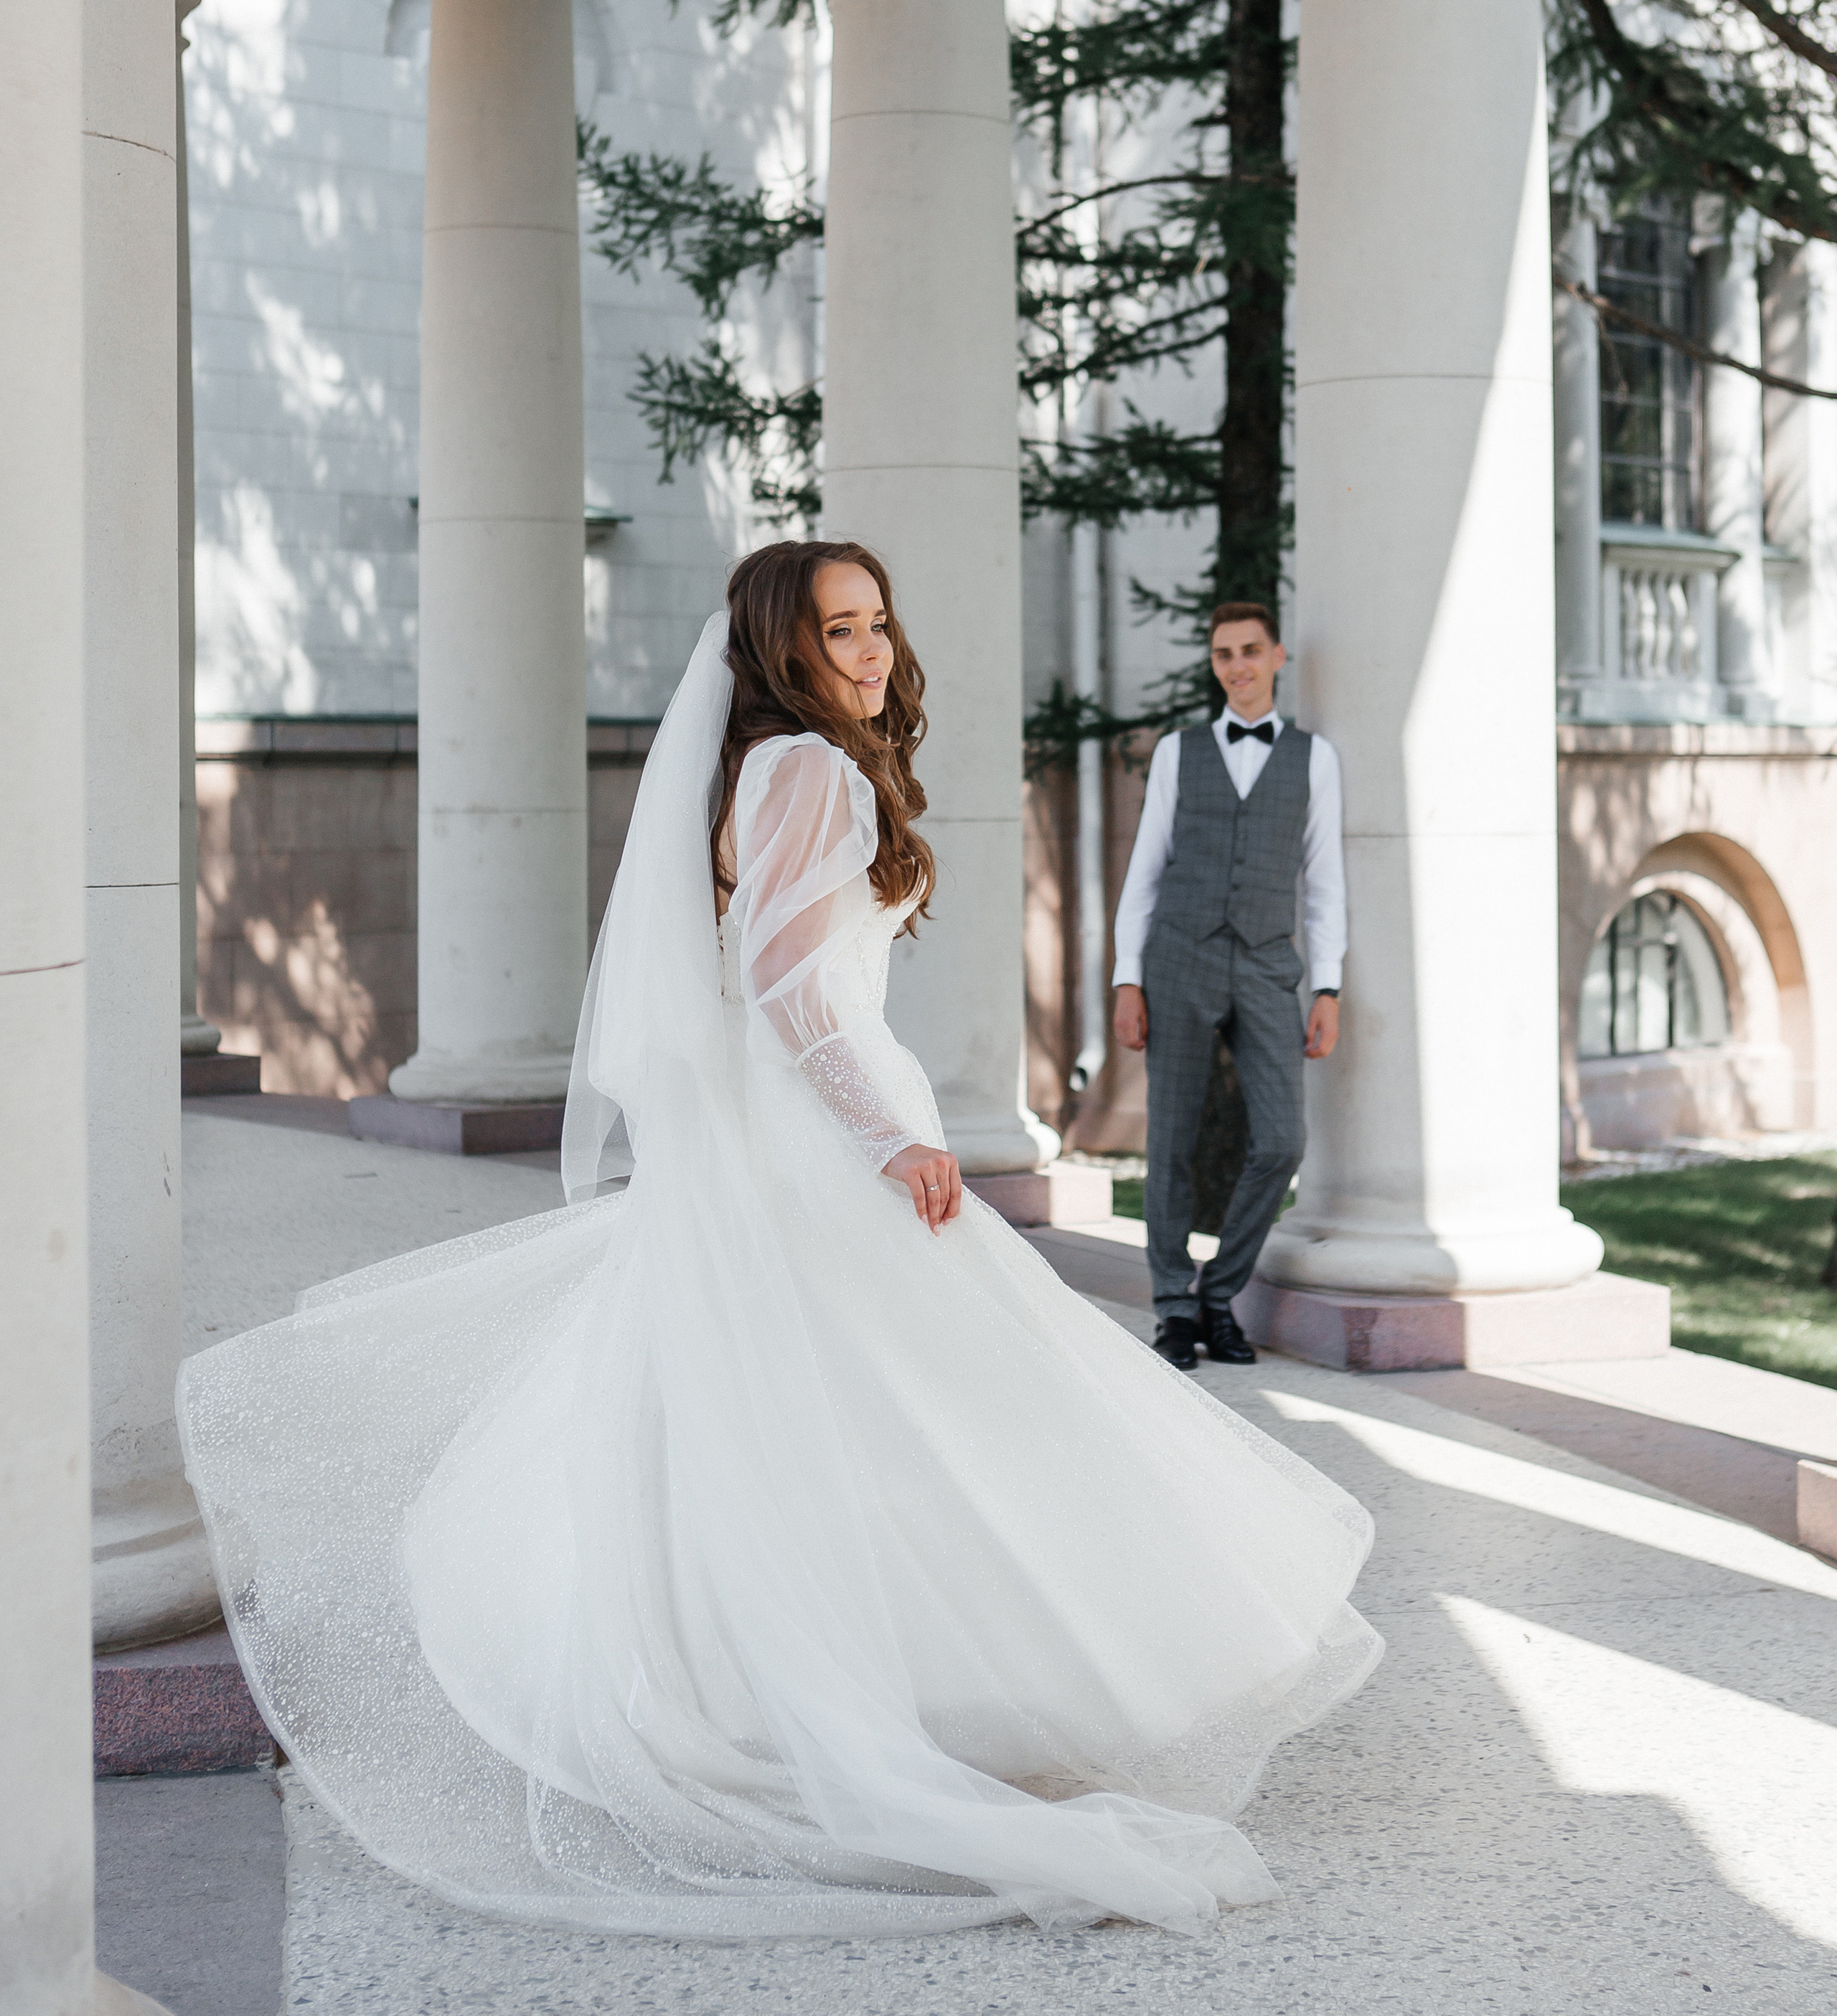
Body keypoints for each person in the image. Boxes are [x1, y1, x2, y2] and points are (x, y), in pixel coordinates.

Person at [177, 543, 1378, 1943]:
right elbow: (787, 988)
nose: (869, 652)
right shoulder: (807, 769)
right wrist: (892, 1140)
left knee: (801, 1411)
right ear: (779, 648)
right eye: (837, 632)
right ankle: (917, 1697)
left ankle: (790, 1683)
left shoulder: (754, 766)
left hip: (787, 1124)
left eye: (878, 622)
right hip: (831, 1126)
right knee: (927, 1398)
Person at [1113, 602, 1345, 1372]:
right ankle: (1176, 1309)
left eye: (1250, 651)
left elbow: (1324, 884)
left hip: (1268, 963)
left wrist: (1328, 987)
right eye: (1223, 654)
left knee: (1282, 1140)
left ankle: (1220, 1293)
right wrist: (1127, 978)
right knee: (1171, 1139)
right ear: (1213, 664)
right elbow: (1146, 868)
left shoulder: (1314, 759)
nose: (1237, 665)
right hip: (1178, 957)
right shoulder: (1181, 753)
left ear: (1277, 656)